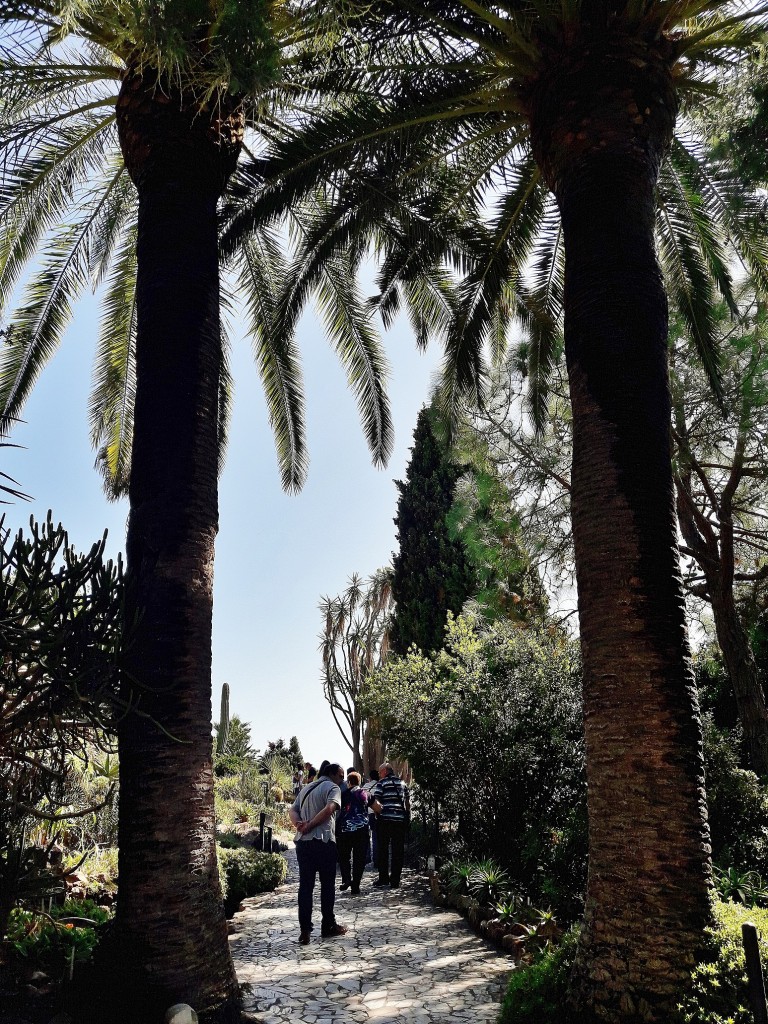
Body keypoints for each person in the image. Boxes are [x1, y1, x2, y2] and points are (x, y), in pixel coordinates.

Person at [288, 762, 348, 944]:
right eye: (341, 776)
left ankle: (304, 931)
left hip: (303, 844)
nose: (343, 780)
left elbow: (292, 810)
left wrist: (299, 824)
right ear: (334, 774)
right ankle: (328, 925)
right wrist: (310, 825)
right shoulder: (332, 787)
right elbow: (330, 808)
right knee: (327, 885)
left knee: (306, 886)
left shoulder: (307, 788)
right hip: (323, 842)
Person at [372, 762, 410, 889]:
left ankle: (383, 878)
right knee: (397, 851)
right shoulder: (403, 783)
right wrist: (406, 817)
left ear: (384, 771)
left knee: (383, 849)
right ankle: (395, 880)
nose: (379, 774)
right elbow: (407, 803)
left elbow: (376, 802)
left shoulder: (381, 783)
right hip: (399, 821)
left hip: (385, 821)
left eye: (379, 772)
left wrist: (378, 815)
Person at [336, 771, 369, 896]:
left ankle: (347, 879)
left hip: (345, 831)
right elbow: (377, 807)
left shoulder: (343, 795)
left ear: (348, 782)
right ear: (359, 782)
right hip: (362, 831)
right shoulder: (365, 794)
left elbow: (336, 810)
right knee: (359, 859)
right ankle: (356, 885)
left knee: (344, 857)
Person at [362, 768, 380, 868]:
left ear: (370, 777)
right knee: (376, 837)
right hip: (376, 813)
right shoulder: (380, 785)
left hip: (367, 813)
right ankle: (376, 860)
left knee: (367, 837)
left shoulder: (365, 786)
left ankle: (367, 858)